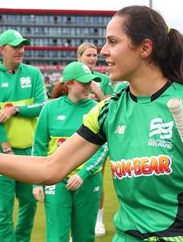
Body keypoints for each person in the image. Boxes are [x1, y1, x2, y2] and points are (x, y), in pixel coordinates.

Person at [0, 5, 183, 241]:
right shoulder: (108, 110)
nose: (103, 51)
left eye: (112, 41)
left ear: (145, 48)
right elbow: (50, 168)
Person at [0, 29, 47, 242]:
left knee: (29, 204)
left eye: (22, 46)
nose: (20, 50)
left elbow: (42, 105)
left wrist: (14, 109)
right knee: (4, 207)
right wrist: (6, 148)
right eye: (15, 46)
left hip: (29, 152)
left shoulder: (34, 73)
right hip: (1, 152)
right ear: (2, 49)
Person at [32, 61, 107, 241]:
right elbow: (39, 146)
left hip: (87, 180)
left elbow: (104, 147)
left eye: (90, 82)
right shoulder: (50, 108)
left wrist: (83, 173)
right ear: (69, 84)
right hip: (56, 180)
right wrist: (36, 182)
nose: (89, 86)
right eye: (84, 83)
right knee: (57, 237)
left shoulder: (97, 108)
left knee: (84, 237)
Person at [77, 42, 112, 237]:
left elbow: (111, 103)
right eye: (88, 55)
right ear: (79, 56)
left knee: (96, 174)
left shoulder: (104, 79)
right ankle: (79, 220)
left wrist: (97, 90)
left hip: (99, 136)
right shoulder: (72, 76)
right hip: (77, 133)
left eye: (94, 55)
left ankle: (98, 220)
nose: (92, 59)